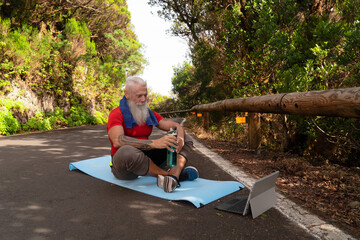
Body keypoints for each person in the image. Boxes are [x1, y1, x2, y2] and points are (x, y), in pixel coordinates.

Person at [107, 76, 199, 193]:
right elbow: (118, 140)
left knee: (186, 137)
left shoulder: (148, 113)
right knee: (127, 151)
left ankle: (173, 177)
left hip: (146, 157)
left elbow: (176, 126)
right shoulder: (116, 114)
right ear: (127, 94)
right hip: (125, 166)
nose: (143, 99)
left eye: (145, 95)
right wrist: (154, 143)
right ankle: (169, 175)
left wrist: (180, 137)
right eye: (139, 96)